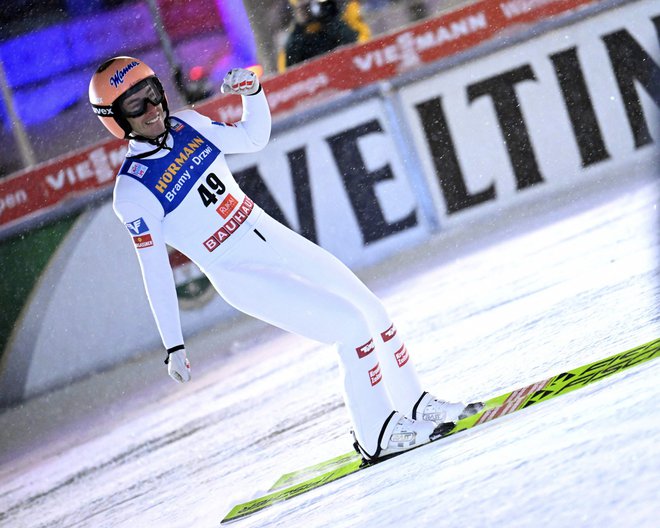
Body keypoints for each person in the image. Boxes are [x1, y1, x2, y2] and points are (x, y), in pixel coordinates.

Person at [88, 56, 481, 462]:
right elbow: (154, 271)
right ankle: (375, 435)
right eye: (136, 105)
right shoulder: (133, 192)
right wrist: (173, 344)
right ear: (115, 120)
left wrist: (253, 95)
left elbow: (252, 139)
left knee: (372, 310)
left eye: (153, 95)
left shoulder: (188, 124)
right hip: (237, 271)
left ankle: (414, 403)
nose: (152, 109)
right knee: (349, 328)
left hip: (265, 233)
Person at [278, 0, 370, 72]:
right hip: (317, 83)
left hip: (345, 71)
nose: (310, 10)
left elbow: (355, 43)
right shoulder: (298, 35)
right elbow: (287, 68)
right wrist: (300, 27)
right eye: (304, 7)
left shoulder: (336, 18)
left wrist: (327, 18)